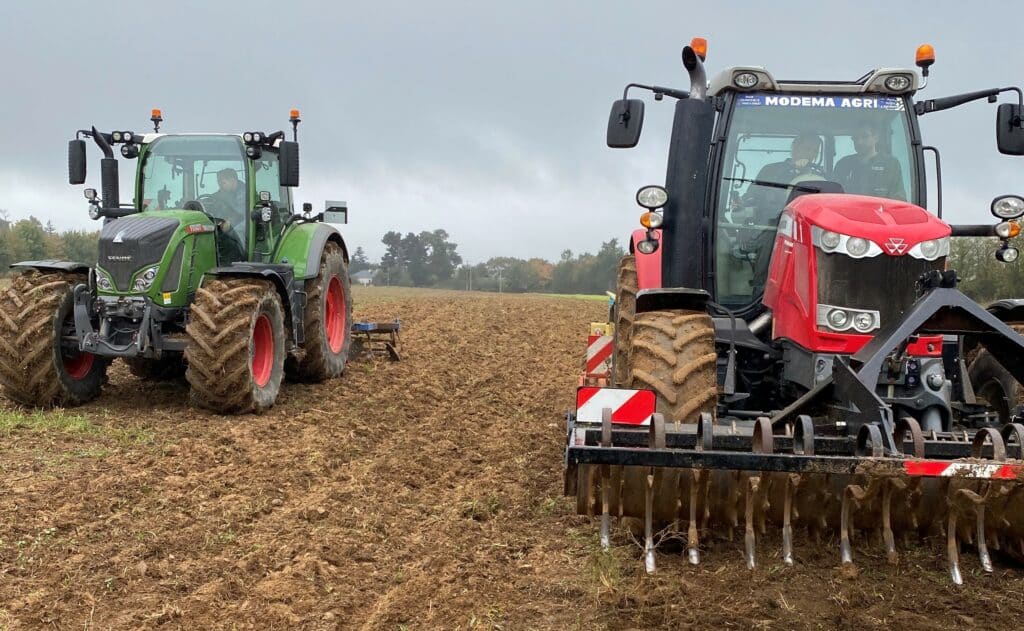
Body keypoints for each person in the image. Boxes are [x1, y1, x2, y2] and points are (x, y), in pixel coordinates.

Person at [833, 123, 906, 200]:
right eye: (855, 138)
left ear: (876, 138)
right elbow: (834, 197)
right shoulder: (843, 165)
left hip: (881, 211)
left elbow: (899, 198)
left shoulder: (891, 164)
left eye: (864, 137)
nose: (859, 142)